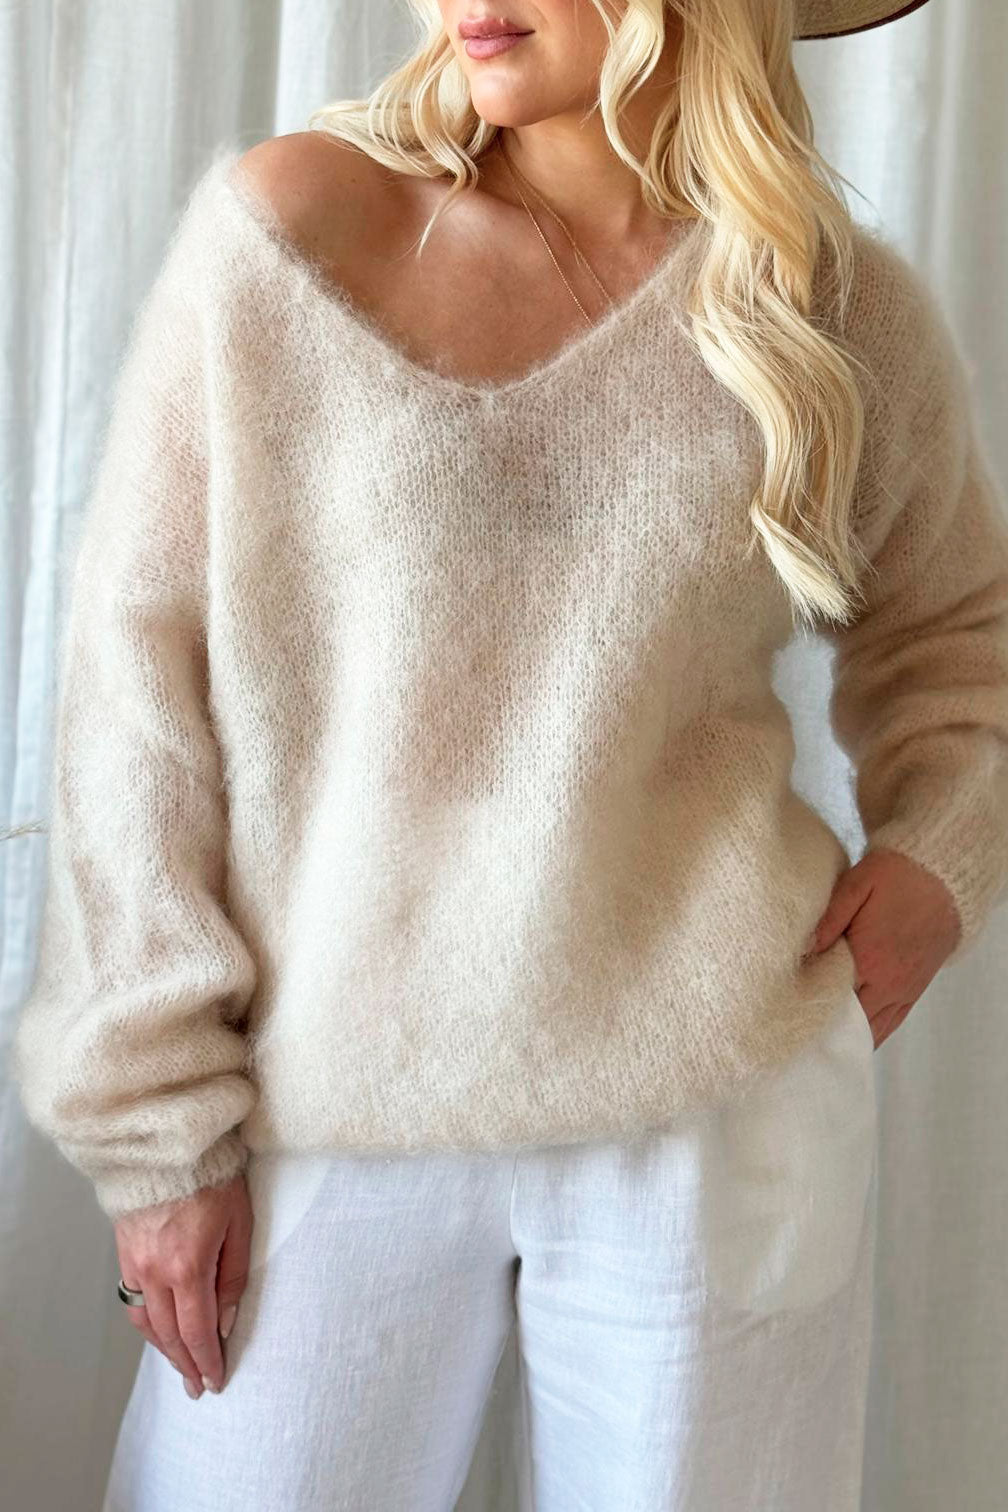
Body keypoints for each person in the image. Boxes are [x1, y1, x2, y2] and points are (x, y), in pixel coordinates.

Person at [12, 0, 1008, 1507]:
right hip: (327, 1091)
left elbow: (957, 636)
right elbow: (140, 685)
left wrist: (941, 856)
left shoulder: (820, 304)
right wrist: (156, 1133)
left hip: (714, 1095)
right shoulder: (297, 228)